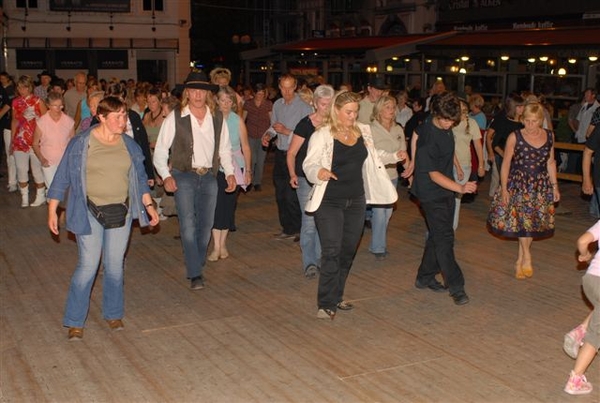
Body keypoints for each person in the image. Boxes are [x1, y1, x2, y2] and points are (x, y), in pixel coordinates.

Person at [46, 96, 160, 341]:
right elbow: (63, 176)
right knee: (88, 266)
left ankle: (113, 313)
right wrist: (52, 210)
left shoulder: (130, 145)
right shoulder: (81, 143)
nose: (123, 121)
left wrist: (149, 206)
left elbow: (140, 178)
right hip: (89, 211)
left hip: (122, 212)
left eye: (124, 115)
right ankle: (75, 320)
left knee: (115, 265)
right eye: (117, 117)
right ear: (101, 117)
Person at [303, 91, 403, 320]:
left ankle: (337, 295)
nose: (353, 116)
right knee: (331, 251)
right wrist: (319, 171)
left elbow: (373, 155)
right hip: (329, 200)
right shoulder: (322, 134)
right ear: (336, 110)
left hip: (356, 200)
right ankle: (325, 303)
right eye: (348, 112)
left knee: (347, 251)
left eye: (356, 112)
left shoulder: (362, 130)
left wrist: (394, 156)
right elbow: (309, 164)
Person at [153, 71, 236, 290]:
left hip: (208, 176)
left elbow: (225, 149)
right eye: (193, 90)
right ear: (187, 93)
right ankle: (195, 272)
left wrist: (229, 172)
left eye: (202, 91)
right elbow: (160, 151)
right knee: (188, 225)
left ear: (208, 93)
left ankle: (196, 262)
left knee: (206, 226)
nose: (198, 95)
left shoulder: (217, 117)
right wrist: (166, 176)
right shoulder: (175, 117)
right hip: (183, 175)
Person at [411, 92, 477, 306]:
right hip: (431, 193)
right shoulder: (429, 138)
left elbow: (416, 133)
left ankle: (424, 277)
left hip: (445, 189)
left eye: (452, 120)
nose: (449, 124)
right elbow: (433, 175)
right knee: (445, 239)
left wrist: (412, 162)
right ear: (436, 114)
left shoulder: (439, 123)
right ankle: (457, 286)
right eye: (446, 120)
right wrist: (460, 187)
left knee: (437, 236)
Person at [487, 102, 560, 279]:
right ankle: (527, 257)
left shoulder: (549, 136)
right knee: (522, 221)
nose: (530, 125)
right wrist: (504, 188)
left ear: (540, 120)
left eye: (534, 121)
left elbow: (550, 162)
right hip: (519, 183)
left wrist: (555, 186)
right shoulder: (515, 136)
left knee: (532, 222)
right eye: (526, 120)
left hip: (540, 184)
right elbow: (506, 163)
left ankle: (519, 260)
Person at [287, 84, 335, 278]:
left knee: (324, 222)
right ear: (315, 103)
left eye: (330, 104)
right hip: (305, 179)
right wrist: (292, 174)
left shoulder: (336, 124)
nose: (326, 107)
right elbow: (292, 153)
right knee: (309, 223)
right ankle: (310, 262)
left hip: (328, 179)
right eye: (323, 104)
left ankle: (322, 258)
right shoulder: (305, 124)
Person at [261, 74, 312, 240]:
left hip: (296, 155)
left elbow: (308, 135)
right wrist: (268, 135)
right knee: (281, 194)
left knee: (293, 196)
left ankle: (299, 229)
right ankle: (288, 228)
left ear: (295, 87)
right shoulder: (277, 104)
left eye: (290, 88)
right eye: (284, 88)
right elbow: (274, 126)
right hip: (280, 153)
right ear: (279, 87)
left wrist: (286, 131)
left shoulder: (305, 108)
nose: (287, 92)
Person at [208, 85, 251, 261]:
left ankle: (222, 244)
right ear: (217, 101)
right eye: (222, 100)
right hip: (215, 167)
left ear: (233, 102)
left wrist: (248, 169)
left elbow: (245, 146)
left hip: (234, 167)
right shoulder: (211, 119)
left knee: (227, 205)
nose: (226, 103)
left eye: (229, 100)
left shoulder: (237, 120)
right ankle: (216, 246)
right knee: (214, 205)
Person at [368, 95, 410, 260]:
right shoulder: (371, 129)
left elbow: (403, 153)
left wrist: (409, 172)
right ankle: (378, 247)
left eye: (393, 107)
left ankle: (375, 238)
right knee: (380, 212)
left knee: (388, 212)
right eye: (387, 107)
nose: (391, 110)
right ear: (379, 110)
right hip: (377, 176)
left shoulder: (398, 129)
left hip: (392, 176)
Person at [562, 221, 600, 395]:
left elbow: (583, 241)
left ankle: (580, 331)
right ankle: (575, 381)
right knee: (595, 336)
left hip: (590, 280)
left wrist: (585, 255)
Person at [10, 75, 47, 208]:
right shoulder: (15, 102)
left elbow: (46, 121)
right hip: (20, 140)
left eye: (24, 87)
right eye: (19, 87)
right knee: (21, 169)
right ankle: (24, 197)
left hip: (35, 141)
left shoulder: (38, 101)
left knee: (37, 169)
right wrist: (12, 141)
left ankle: (40, 196)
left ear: (29, 87)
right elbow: (14, 121)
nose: (22, 90)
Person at [452, 98, 484, 230]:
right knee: (446, 197)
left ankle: (451, 229)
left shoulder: (472, 123)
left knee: (456, 199)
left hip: (464, 165)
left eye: (463, 108)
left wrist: (481, 165)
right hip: (446, 163)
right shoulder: (450, 121)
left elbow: (478, 145)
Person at [32, 91, 75, 190]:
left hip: (65, 161)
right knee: (52, 189)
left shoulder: (69, 121)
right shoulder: (42, 122)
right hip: (48, 160)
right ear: (48, 105)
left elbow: (73, 143)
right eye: (55, 106)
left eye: (61, 106)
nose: (58, 109)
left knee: (64, 189)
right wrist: (42, 159)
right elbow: (35, 143)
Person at [486, 94, 525, 197]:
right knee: (504, 181)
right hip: (503, 156)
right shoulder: (504, 120)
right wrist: (504, 155)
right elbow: (495, 142)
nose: (522, 108)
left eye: (523, 106)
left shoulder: (524, 123)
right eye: (519, 106)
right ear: (513, 107)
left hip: (519, 158)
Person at [243, 83, 272, 191]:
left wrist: (271, 134)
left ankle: (257, 182)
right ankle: (249, 180)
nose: (260, 96)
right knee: (252, 159)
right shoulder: (248, 103)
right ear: (254, 93)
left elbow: (272, 119)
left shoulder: (268, 104)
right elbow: (243, 118)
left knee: (261, 160)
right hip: (250, 134)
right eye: (258, 94)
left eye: (262, 94)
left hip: (264, 136)